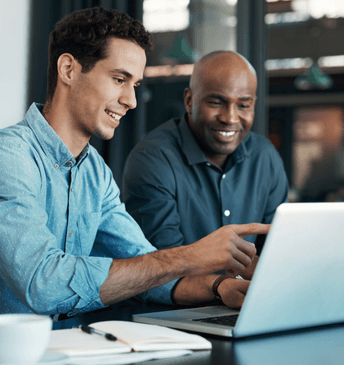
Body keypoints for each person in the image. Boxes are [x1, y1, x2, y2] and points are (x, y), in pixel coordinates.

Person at [0, 8, 268, 342]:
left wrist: (220, 287)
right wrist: (190, 256)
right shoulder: (3, 160)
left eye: (136, 84)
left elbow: (144, 266)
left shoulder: (94, 172)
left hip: (59, 349)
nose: (130, 100)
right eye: (119, 79)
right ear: (68, 69)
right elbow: (44, 284)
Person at [123, 50, 288, 252]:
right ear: (189, 101)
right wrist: (225, 282)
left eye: (243, 105)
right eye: (216, 103)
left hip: (250, 284)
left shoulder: (264, 156)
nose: (231, 118)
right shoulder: (153, 159)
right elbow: (163, 264)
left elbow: (278, 247)